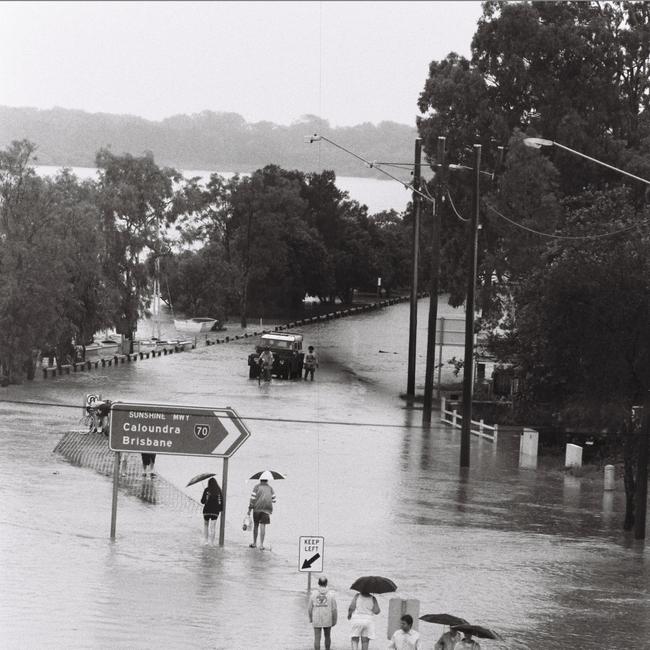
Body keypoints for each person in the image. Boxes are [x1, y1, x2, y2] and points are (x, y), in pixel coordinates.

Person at [307, 575, 337, 650]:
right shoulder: (331, 595)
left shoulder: (313, 594)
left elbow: (310, 608)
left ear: (318, 583)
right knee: (327, 636)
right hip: (327, 618)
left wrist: (310, 618)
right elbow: (334, 609)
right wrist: (334, 620)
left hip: (316, 618)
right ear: (326, 583)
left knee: (317, 638)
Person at [247, 474, 276, 549]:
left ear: (260, 479)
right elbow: (274, 500)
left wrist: (249, 509)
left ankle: (254, 543)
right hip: (266, 509)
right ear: (267, 480)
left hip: (257, 509)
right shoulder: (270, 488)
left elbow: (252, 499)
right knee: (263, 526)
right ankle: (261, 545)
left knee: (256, 525)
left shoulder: (256, 487)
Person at [200, 477, 223, 545]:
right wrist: (221, 510)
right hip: (215, 512)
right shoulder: (219, 491)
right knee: (213, 527)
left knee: (206, 525)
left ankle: (206, 541)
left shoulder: (206, 490)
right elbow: (221, 502)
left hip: (206, 511)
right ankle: (212, 543)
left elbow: (202, 501)